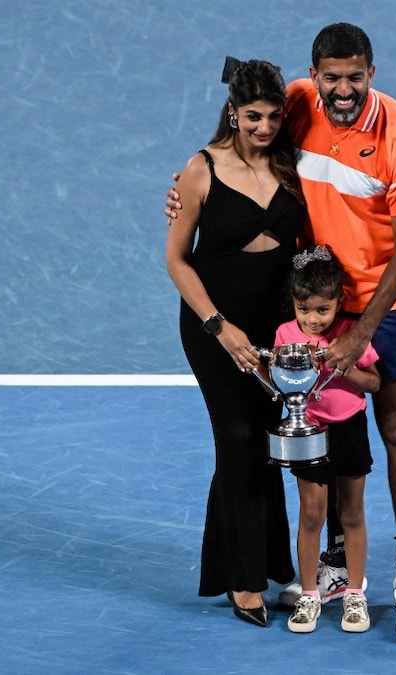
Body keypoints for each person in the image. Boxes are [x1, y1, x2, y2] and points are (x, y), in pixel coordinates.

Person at [168, 24, 396, 641]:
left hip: (384, 305)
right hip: (316, 307)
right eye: (332, 77)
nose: (343, 89)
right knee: (331, 429)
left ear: (372, 71)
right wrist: (186, 191)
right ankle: (337, 567)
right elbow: (242, 131)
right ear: (314, 76)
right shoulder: (294, 103)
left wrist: (355, 333)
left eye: (356, 76)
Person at [164, 58, 305, 628]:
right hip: (214, 324)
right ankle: (241, 581)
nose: (264, 127)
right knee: (239, 437)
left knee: (267, 443)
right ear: (233, 112)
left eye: (273, 116)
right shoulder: (200, 170)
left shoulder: (292, 165)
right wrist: (220, 328)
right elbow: (176, 260)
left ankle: (269, 563)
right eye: (253, 116)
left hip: (274, 329)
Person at [275, 245, 380, 634]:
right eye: (305, 310)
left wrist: (346, 367)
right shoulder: (285, 335)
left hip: (349, 428)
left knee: (351, 513)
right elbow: (281, 382)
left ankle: (354, 593)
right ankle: (308, 595)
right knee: (311, 514)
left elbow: (374, 382)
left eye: (323, 310)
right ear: (294, 304)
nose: (313, 319)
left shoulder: (350, 335)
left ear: (340, 302)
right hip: (309, 431)